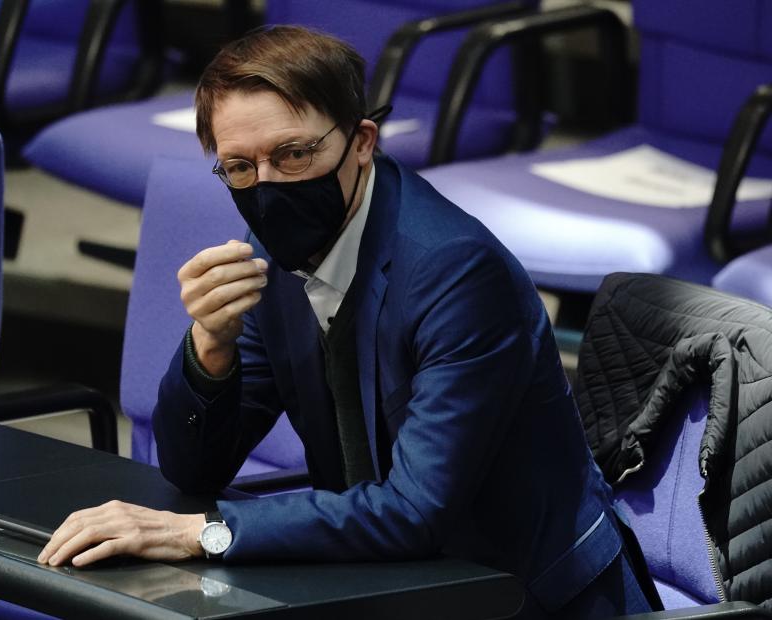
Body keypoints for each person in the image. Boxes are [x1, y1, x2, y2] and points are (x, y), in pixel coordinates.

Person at [38, 25, 653, 618]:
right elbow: (194, 470)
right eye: (240, 168)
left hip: (521, 594)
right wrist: (211, 346)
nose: (268, 186)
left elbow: (415, 509)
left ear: (361, 142)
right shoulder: (274, 249)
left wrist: (209, 534)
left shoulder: (456, 272)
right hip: (381, 580)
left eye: (293, 154)